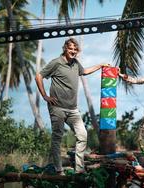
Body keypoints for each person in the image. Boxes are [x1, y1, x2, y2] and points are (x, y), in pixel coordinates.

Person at [35, 38, 107, 174]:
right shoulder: (56, 63)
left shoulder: (75, 63)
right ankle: (58, 169)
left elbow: (84, 71)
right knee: (57, 137)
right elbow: (39, 76)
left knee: (82, 135)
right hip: (57, 107)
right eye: (70, 49)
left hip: (73, 109)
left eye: (75, 49)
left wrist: (101, 65)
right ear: (65, 49)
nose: (73, 51)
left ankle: (79, 169)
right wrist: (45, 96)